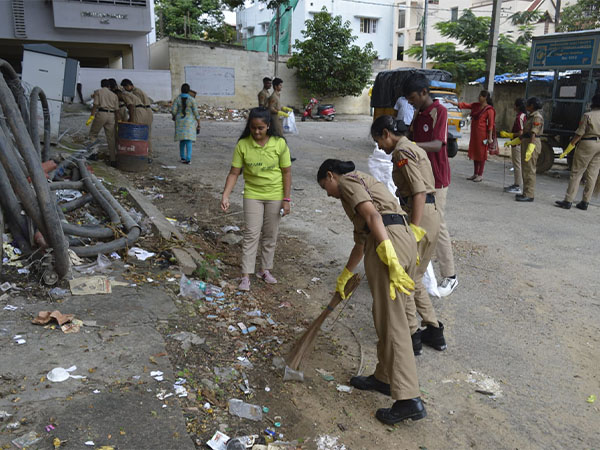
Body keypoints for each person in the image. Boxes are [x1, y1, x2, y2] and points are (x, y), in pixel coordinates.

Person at [317, 159, 426, 425]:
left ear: (331, 175)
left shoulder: (348, 182)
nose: (329, 194)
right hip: (401, 239)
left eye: (325, 187)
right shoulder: (364, 181)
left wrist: (389, 253)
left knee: (393, 322)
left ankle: (409, 399)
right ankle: (384, 377)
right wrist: (346, 273)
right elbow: (362, 239)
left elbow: (373, 217)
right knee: (384, 316)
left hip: (387, 243)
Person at [371, 115, 447, 355]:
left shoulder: (402, 153)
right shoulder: (413, 147)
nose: (380, 148)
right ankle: (434, 330)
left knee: (402, 277)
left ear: (386, 133)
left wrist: (412, 229)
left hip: (420, 214)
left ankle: (411, 334)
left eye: (379, 141)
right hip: (430, 214)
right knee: (415, 277)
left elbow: (418, 191)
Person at [220, 107, 292, 291]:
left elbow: (286, 172)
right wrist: (226, 195)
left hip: (275, 195)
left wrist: (286, 199)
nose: (257, 132)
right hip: (253, 194)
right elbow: (234, 173)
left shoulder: (279, 144)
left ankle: (265, 270)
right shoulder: (243, 145)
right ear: (249, 127)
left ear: (268, 126)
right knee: (251, 234)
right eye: (253, 128)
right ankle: (246, 276)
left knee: (270, 235)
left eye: (261, 128)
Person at [404, 74, 458, 297]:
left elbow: (437, 144)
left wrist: (410, 146)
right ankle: (414, 269)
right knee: (416, 221)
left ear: (424, 92)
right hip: (420, 177)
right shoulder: (418, 113)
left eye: (413, 97)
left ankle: (450, 275)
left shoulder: (440, 112)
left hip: (437, 178)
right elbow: (409, 136)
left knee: (438, 225)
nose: (410, 101)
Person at [555, 93, 600, 210]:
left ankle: (568, 200)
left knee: (577, 172)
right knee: (592, 174)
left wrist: (569, 147)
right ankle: (585, 202)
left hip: (587, 144)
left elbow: (580, 133)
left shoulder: (588, 115)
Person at [448, 90, 496, 182]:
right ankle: (475, 173)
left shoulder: (489, 110)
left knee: (482, 154)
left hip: (483, 135)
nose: (479, 97)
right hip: (474, 134)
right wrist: (451, 102)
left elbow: (490, 125)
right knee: (475, 152)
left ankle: (480, 174)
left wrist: (489, 138)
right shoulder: (476, 105)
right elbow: (463, 105)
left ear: (485, 97)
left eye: (481, 96)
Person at [505, 97, 544, 202]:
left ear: (532, 106)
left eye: (528, 104)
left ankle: (529, 194)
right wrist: (513, 141)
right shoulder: (530, 116)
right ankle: (525, 193)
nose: (526, 106)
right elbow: (526, 133)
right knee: (526, 169)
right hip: (526, 142)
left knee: (530, 170)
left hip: (532, 143)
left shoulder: (537, 117)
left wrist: (531, 147)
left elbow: (533, 133)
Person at [86, 79, 119, 167]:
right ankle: (113, 159)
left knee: (93, 134)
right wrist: (117, 121)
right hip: (111, 115)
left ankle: (93, 154)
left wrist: (91, 116)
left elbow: (95, 104)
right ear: (109, 86)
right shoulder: (114, 95)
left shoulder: (98, 92)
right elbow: (117, 109)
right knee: (111, 137)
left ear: (101, 85)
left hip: (101, 113)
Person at [121, 79, 154, 163]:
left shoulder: (136, 92)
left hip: (144, 111)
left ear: (129, 85)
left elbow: (137, 104)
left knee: (143, 133)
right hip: (146, 111)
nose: (125, 89)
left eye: (125, 87)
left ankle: (147, 154)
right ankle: (147, 154)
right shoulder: (137, 90)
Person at [501, 98, 527, 194]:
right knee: (518, 164)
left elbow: (521, 132)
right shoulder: (524, 116)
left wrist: (510, 135)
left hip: (518, 143)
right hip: (520, 143)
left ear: (517, 106)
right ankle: (517, 184)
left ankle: (517, 185)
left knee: (517, 165)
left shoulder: (520, 117)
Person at [171, 83, 201, 164]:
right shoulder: (192, 100)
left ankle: (182, 157)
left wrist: (175, 116)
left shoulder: (177, 99)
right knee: (188, 140)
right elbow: (196, 113)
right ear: (188, 91)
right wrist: (199, 124)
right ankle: (188, 158)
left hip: (180, 121)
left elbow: (173, 110)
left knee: (182, 140)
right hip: (189, 122)